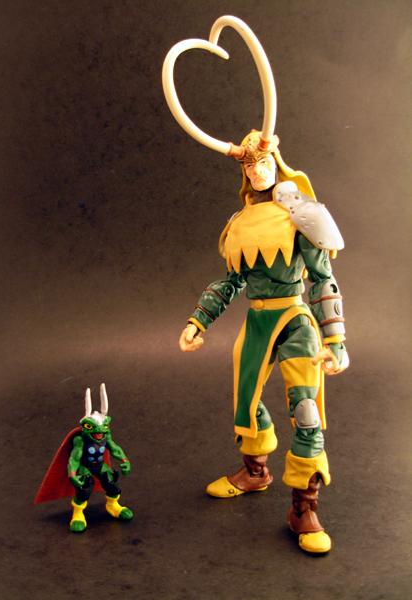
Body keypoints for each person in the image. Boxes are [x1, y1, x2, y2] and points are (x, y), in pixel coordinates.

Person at [163, 16, 348, 554]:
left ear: (275, 159)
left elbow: (324, 278)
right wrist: (198, 320)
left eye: (263, 158)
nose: (257, 167)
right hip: (258, 321)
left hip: (296, 322)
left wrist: (336, 340)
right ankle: (256, 471)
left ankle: (304, 507)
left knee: (306, 411)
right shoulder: (240, 225)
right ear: (243, 172)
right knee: (245, 404)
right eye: (250, 163)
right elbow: (230, 281)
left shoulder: (301, 216)